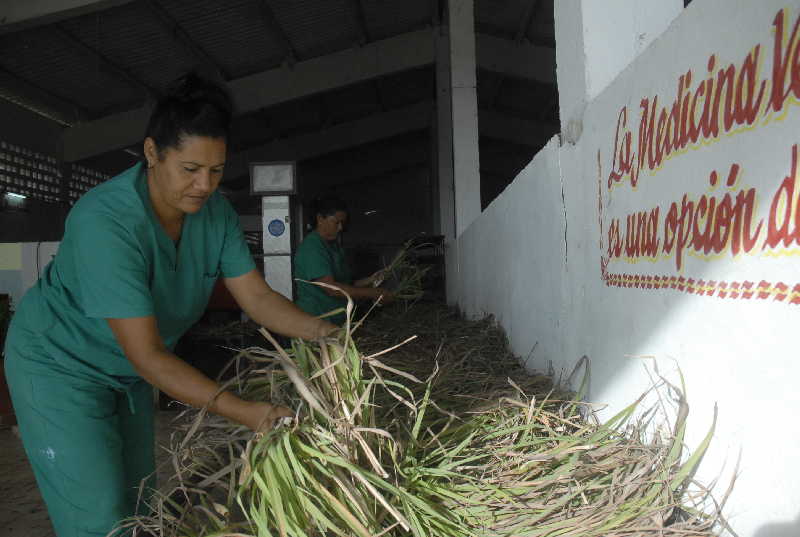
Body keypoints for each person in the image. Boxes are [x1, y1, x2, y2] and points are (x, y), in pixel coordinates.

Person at [2, 73, 336, 537]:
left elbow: (257, 297)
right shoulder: (107, 222)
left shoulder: (213, 214)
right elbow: (149, 354)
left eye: (216, 171)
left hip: (128, 372)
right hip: (60, 366)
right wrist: (246, 411)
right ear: (152, 153)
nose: (204, 184)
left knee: (140, 507)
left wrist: (329, 335)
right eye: (190, 169)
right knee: (98, 519)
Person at [293, 197, 392, 324]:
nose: (340, 227)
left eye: (342, 223)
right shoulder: (312, 248)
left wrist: (371, 280)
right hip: (318, 319)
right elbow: (332, 288)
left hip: (336, 320)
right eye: (336, 222)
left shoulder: (333, 246)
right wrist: (372, 293)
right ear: (320, 219)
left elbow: (346, 284)